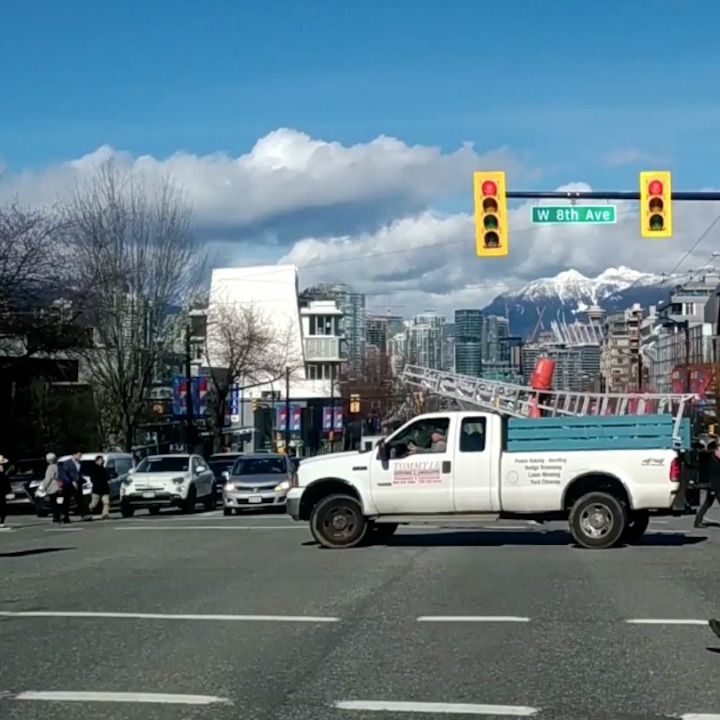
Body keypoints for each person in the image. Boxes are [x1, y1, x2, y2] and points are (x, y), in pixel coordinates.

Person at [694, 442, 720, 528]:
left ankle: (697, 521)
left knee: (708, 502)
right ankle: (697, 521)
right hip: (714, 484)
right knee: (708, 502)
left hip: (715, 484)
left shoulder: (715, 459)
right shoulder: (713, 459)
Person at [40, 453, 63, 524]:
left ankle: (56, 516)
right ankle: (60, 515)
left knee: (53, 502)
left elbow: (48, 478)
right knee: (58, 501)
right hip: (59, 484)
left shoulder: (50, 467)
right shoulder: (58, 466)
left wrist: (43, 487)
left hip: (52, 486)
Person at [0, 454, 10, 529]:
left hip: (2, 490)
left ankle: (2, 521)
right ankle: (2, 521)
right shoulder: (3, 473)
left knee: (2, 506)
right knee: (2, 506)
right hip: (2, 491)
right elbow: (6, 482)